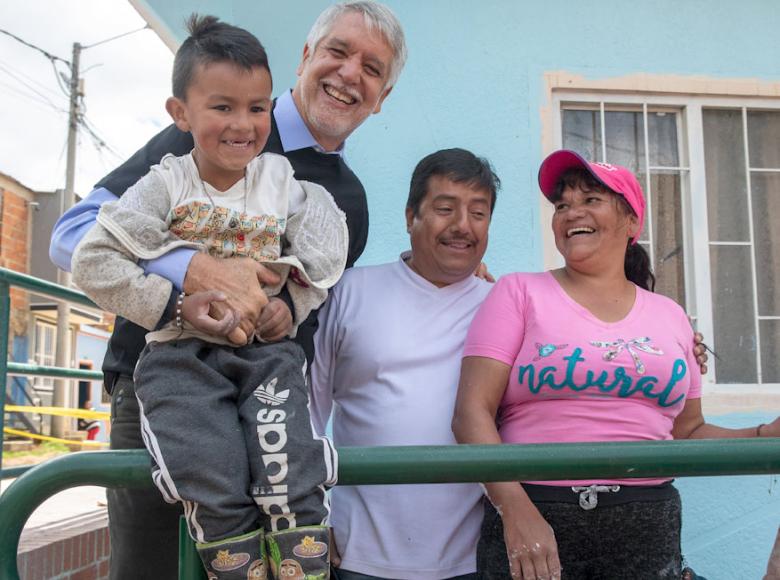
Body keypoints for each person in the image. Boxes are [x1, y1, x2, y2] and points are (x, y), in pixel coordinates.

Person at [49, 3, 406, 578]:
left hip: (264, 410)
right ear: (307, 57)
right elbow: (73, 237)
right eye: (338, 52)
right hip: (160, 388)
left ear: (382, 96)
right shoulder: (204, 136)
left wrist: (445, 277)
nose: (348, 74)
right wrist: (195, 269)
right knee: (154, 570)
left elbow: (311, 304)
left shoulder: (346, 203)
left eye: (372, 68)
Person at [451, 149, 780, 580]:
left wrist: (759, 435)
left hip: (646, 525)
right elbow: (470, 413)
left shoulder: (671, 316)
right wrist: (514, 510)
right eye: (562, 205)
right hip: (537, 517)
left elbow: (687, 431)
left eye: (591, 200)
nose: (572, 213)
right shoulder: (519, 293)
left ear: (631, 223)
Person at [311, 148, 500, 579]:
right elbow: (307, 411)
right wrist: (312, 517)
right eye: (445, 208)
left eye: (478, 213)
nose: (462, 227)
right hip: (357, 553)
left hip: (472, 559)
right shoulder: (350, 291)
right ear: (410, 215)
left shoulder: (503, 306)